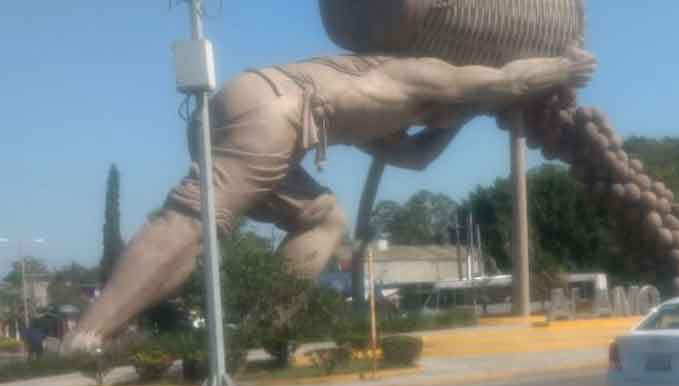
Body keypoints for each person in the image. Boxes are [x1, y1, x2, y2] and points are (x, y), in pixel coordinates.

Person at [64, 49, 596, 353]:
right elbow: (506, 79)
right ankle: (88, 332)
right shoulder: (423, 72)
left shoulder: (378, 109)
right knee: (192, 219)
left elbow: (414, 159)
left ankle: (265, 335)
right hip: (281, 114)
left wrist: (461, 121)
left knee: (323, 221)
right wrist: (563, 68)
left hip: (252, 100)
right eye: (451, 109)